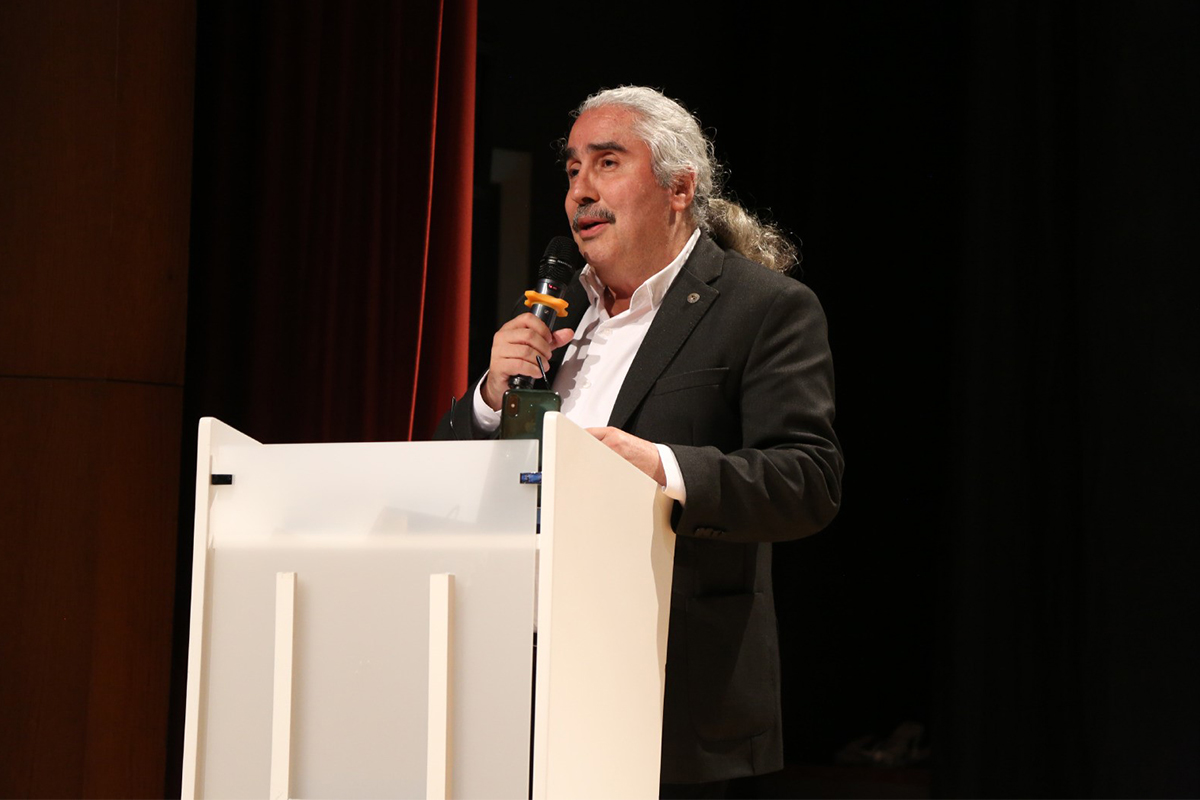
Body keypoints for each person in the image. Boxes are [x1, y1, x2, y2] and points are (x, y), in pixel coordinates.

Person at [436, 86, 843, 794]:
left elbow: (807, 480)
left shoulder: (763, 308)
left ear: (679, 188)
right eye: (572, 169)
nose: (580, 191)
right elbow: (452, 492)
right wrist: (490, 401)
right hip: (524, 686)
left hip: (672, 696)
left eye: (607, 163)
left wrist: (659, 468)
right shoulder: (556, 318)